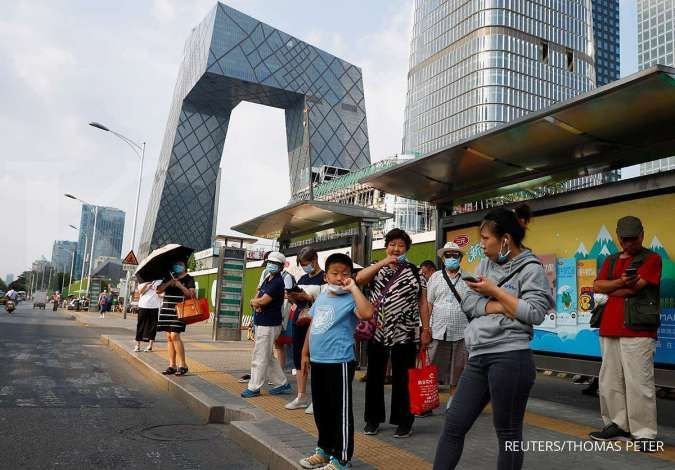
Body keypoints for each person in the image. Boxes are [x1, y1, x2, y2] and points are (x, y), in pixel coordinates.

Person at [433, 206, 554, 470]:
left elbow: (534, 313)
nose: (482, 244)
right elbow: (469, 303)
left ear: (505, 240)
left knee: (508, 433)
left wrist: (493, 292)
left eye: (486, 238)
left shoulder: (531, 269)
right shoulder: (486, 263)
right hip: (478, 356)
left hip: (511, 357)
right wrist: (504, 305)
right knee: (454, 423)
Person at [588, 216, 662, 452]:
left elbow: (636, 288)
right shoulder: (610, 260)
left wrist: (612, 287)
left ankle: (644, 432)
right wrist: (620, 283)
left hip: (638, 329)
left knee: (639, 382)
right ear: (618, 237)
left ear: (642, 235)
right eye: (624, 239)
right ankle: (616, 424)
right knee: (609, 380)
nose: (629, 243)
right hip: (609, 327)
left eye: (633, 238)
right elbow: (597, 286)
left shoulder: (652, 258)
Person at [299, 253, 374, 470]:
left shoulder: (351, 297)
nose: (340, 277)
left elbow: (368, 313)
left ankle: (341, 459)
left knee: (339, 411)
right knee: (321, 409)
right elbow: (313, 326)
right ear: (326, 276)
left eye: (345, 273)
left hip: (340, 361)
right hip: (319, 360)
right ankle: (324, 450)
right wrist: (305, 354)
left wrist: (353, 288)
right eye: (335, 273)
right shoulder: (323, 296)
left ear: (351, 275)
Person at [355, 228, 431, 438]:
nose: (396, 249)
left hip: (405, 333)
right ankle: (372, 420)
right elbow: (359, 279)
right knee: (374, 377)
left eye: (401, 245)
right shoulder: (376, 269)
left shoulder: (416, 272)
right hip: (378, 331)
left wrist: (426, 329)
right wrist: (382, 262)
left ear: (407, 248)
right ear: (386, 246)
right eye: (392, 245)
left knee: (402, 378)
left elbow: (423, 303)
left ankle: (404, 421)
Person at [241, 251, 292, 398]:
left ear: (281, 267)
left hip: (269, 324)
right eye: (270, 263)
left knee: (259, 356)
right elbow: (258, 297)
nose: (271, 265)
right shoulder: (268, 278)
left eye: (275, 264)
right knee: (267, 356)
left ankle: (254, 387)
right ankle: (281, 383)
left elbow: (263, 301)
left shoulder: (277, 282)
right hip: (263, 322)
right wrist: (255, 302)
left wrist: (255, 302)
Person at [426, 242, 469, 396]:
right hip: (437, 330)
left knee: (458, 370)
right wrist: (426, 328)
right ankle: (428, 401)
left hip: (461, 331)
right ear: (443, 258)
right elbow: (429, 304)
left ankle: (454, 404)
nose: (451, 258)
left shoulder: (468, 278)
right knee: (431, 369)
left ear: (461, 258)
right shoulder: (435, 278)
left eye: (455, 255)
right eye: (448, 255)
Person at [286, 247, 325, 412]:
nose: (305, 267)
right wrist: (293, 297)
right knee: (298, 358)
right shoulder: (301, 278)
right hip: (299, 321)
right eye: (302, 264)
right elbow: (296, 302)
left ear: (315, 259)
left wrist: (308, 297)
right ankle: (301, 395)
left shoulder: (324, 278)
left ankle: (318, 399)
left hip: (316, 323)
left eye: (306, 263)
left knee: (315, 359)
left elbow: (326, 301)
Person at [156, 260, 195, 376]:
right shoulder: (168, 277)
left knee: (175, 335)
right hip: (167, 309)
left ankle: (183, 365)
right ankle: (172, 365)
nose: (177, 266)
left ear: (184, 266)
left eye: (180, 264)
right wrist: (169, 283)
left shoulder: (189, 278)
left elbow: (191, 295)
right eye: (175, 264)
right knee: (169, 337)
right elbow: (158, 290)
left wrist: (179, 285)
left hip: (180, 310)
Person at [134, 280, 162, 352]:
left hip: (154, 306)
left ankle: (150, 346)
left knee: (153, 326)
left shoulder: (159, 281)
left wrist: (158, 291)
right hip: (143, 305)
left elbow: (162, 294)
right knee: (140, 325)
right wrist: (147, 285)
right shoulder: (142, 280)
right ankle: (137, 345)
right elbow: (140, 292)